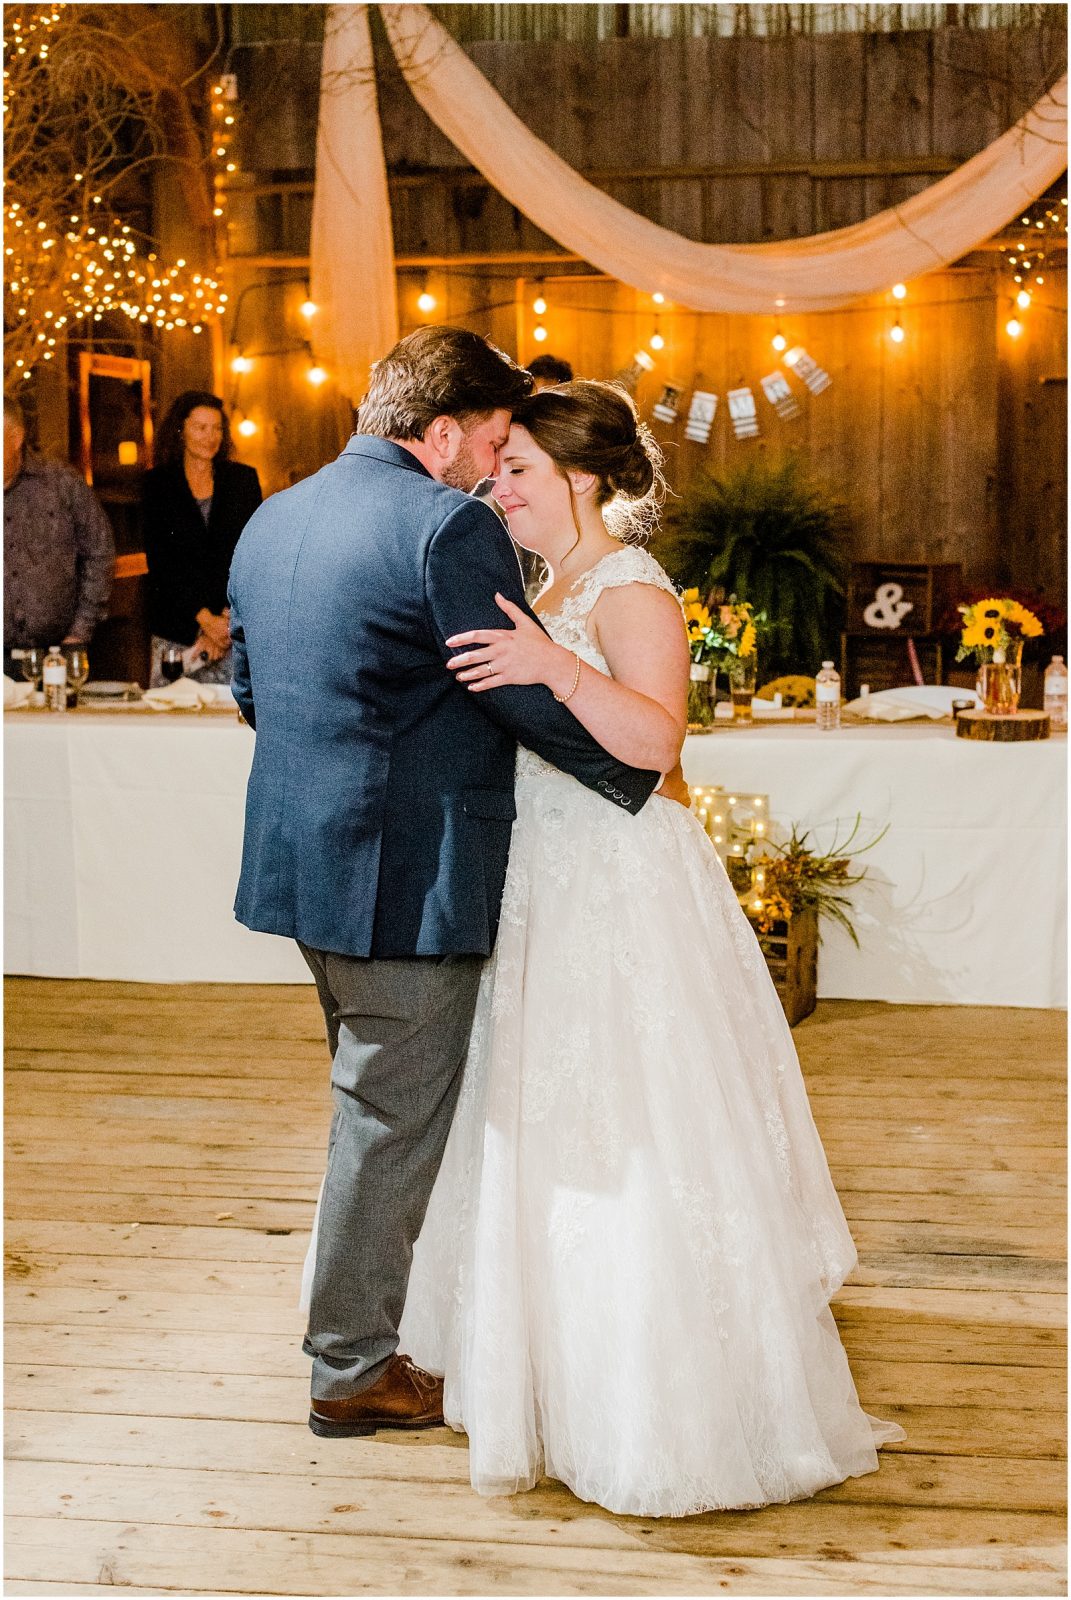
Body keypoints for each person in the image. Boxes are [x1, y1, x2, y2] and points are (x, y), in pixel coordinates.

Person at [392, 380, 906, 1517]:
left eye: (517, 467)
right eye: (497, 467)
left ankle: (655, 1402)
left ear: (581, 479)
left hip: (620, 881)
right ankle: (552, 1377)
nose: (497, 485)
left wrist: (553, 666)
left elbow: (658, 741)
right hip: (544, 877)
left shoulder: (630, 585)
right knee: (550, 1123)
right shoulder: (548, 578)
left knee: (636, 1124)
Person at [227, 328, 663, 1444]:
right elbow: (500, 683)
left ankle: (366, 1340)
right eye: (486, 437)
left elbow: (249, 686)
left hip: (303, 869)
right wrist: (637, 774)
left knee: (370, 1106)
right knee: (384, 1123)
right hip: (404, 876)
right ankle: (350, 1368)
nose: (490, 461)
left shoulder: (276, 514)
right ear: (438, 429)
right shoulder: (444, 523)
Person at [142, 391, 261, 686]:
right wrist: (206, 622)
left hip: (232, 630)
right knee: (172, 723)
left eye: (217, 428)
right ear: (181, 430)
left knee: (230, 724)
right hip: (176, 630)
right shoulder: (156, 485)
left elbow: (253, 555)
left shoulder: (242, 480)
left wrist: (226, 622)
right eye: (201, 427)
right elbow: (161, 564)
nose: (210, 437)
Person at [3, 393, 114, 674]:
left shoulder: (61, 483)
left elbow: (100, 553)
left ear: (16, 438)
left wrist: (79, 633)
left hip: (58, 654)